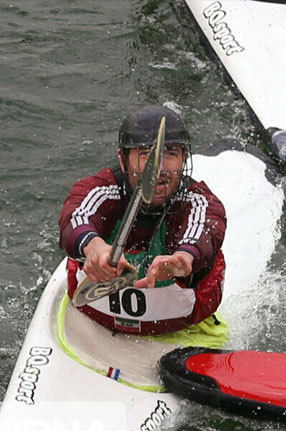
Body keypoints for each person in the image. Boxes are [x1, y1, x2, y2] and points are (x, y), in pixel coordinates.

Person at [59, 105, 227, 335]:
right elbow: (76, 215)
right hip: (92, 324)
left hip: (184, 331)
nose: (158, 169)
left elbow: (207, 229)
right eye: (146, 155)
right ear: (123, 159)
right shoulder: (104, 190)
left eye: (171, 155)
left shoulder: (198, 201)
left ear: (184, 159)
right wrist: (94, 247)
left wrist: (183, 260)